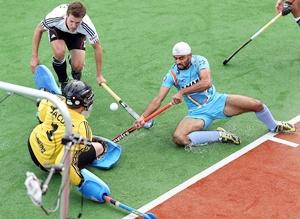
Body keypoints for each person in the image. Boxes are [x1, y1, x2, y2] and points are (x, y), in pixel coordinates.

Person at [134, 42, 296, 147]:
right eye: (175, 59)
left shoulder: (200, 61)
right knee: (178, 138)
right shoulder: (172, 75)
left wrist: (182, 91)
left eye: (181, 58)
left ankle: (274, 125)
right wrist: (144, 117)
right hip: (197, 113)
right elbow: (158, 99)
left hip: (218, 101)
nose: (178, 62)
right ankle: (219, 135)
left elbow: (206, 82)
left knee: (256, 104)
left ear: (190, 55)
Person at [28, 80, 119, 201]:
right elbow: (63, 162)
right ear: (84, 102)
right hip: (49, 164)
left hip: (32, 143)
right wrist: (81, 183)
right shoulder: (82, 127)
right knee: (99, 147)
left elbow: (41, 115)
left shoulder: (53, 100)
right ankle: (91, 150)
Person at [30, 1, 106, 89]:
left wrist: (99, 75)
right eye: (71, 21)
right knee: (59, 52)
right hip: (58, 29)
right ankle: (63, 82)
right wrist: (34, 57)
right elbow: (38, 30)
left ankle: (74, 70)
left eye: (77, 22)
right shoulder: (55, 17)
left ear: (82, 19)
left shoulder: (87, 25)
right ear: (66, 15)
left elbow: (97, 47)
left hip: (77, 34)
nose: (73, 25)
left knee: (77, 66)